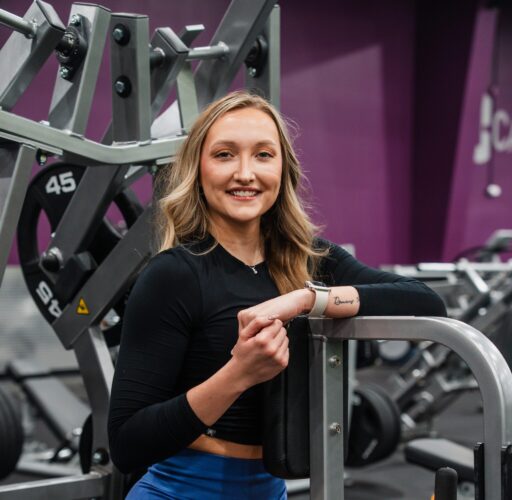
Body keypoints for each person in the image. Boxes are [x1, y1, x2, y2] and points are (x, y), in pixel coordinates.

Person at [107, 90, 446, 499]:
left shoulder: (309, 260)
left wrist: (308, 299)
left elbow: (425, 302)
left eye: (263, 155)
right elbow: (127, 444)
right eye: (225, 154)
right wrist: (239, 373)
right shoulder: (173, 276)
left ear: (283, 170)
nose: (246, 173)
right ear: (198, 170)